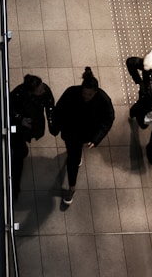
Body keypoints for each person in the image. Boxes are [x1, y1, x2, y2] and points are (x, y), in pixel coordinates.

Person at [52, 66, 114, 206]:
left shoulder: (103, 100)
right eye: (84, 93)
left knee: (73, 160)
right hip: (71, 133)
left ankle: (72, 186)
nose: (86, 96)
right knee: (72, 158)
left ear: (95, 92)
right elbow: (59, 110)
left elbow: (108, 119)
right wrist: (57, 126)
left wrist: (96, 138)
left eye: (89, 95)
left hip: (86, 134)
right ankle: (72, 185)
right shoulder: (72, 92)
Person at [9, 73, 55, 199]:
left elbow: (50, 107)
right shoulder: (18, 94)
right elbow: (9, 108)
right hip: (16, 126)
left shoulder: (45, 90)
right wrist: (20, 119)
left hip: (33, 125)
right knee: (18, 149)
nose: (43, 90)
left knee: (20, 148)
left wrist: (52, 125)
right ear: (31, 91)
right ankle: (14, 188)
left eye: (42, 87)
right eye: (39, 90)